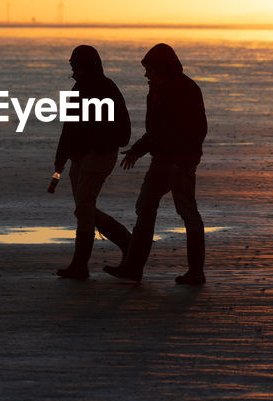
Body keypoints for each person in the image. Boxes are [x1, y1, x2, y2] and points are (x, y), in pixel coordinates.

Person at [104, 43, 208, 285]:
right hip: (161, 160)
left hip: (179, 162)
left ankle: (196, 272)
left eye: (149, 68)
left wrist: (186, 158)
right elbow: (156, 130)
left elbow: (196, 129)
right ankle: (133, 267)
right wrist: (139, 150)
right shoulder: (156, 91)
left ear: (161, 67)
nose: (145, 74)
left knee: (187, 212)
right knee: (145, 207)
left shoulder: (186, 89)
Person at [52, 45, 132, 280]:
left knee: (84, 207)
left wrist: (99, 145)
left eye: (76, 66)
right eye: (72, 67)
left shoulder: (107, 89)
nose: (73, 71)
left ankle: (80, 265)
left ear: (87, 66)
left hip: (99, 157)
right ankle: (126, 240)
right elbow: (68, 129)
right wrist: (60, 160)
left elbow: (123, 130)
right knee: (84, 209)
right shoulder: (78, 89)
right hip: (79, 158)